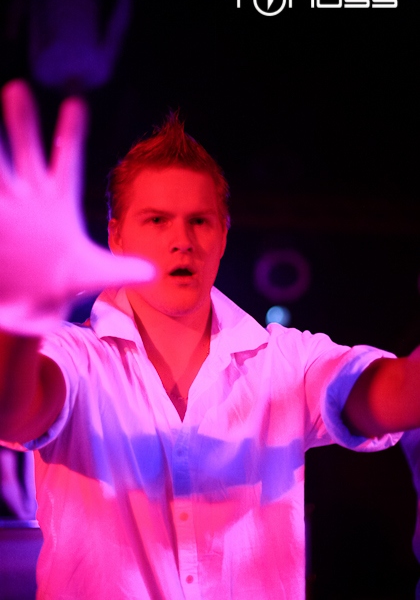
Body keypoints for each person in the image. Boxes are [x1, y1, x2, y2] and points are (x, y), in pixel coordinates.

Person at [0, 80, 419, 600]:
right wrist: (21, 315)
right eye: (157, 220)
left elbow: (398, 393)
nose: (182, 240)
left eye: (199, 221)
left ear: (223, 235)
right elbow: (12, 413)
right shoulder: (75, 356)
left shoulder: (285, 360)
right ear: (116, 236)